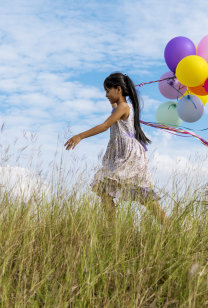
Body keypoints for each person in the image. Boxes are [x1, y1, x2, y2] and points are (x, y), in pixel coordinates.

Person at [64, 72, 168, 225]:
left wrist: (80, 136)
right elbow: (113, 107)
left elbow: (105, 125)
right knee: (104, 190)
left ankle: (168, 225)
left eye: (108, 90)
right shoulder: (119, 107)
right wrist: (114, 98)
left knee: (142, 196)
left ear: (118, 89)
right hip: (123, 154)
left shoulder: (124, 107)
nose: (106, 95)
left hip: (129, 155)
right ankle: (111, 227)